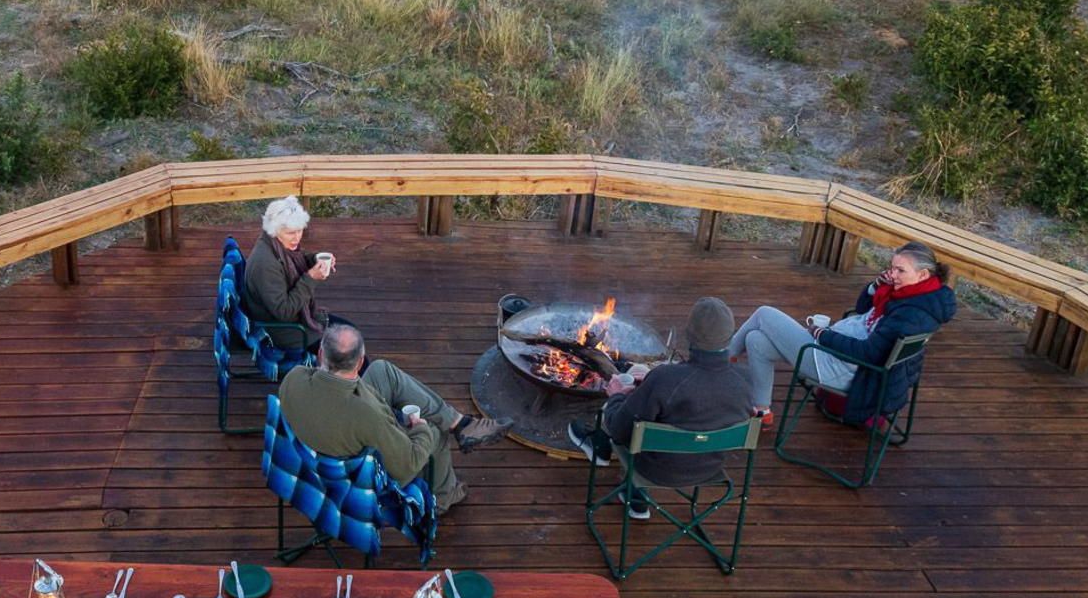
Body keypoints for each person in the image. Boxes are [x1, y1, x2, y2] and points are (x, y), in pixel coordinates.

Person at [276, 323, 511, 515]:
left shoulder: (293, 378)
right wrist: (419, 429)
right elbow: (406, 465)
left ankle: (461, 424)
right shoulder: (367, 415)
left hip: (311, 453)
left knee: (381, 370)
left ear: (319, 354)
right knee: (434, 432)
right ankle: (443, 497)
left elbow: (323, 382)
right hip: (352, 478)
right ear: (359, 362)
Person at [727, 241, 956, 424]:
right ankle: (761, 410)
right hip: (838, 355)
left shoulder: (910, 314)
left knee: (765, 313)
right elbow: (863, 308)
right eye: (892, 267)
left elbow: (867, 353)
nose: (892, 274)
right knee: (755, 339)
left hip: (840, 367)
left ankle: (721, 359)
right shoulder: (915, 296)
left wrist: (821, 335)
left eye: (900, 270)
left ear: (923, 275)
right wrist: (878, 284)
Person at [565, 297, 754, 519]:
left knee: (625, 408)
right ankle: (633, 495)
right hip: (709, 468)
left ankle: (601, 448)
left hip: (654, 469)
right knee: (665, 413)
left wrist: (617, 396)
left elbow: (619, 429)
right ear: (730, 336)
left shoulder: (665, 379)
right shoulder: (745, 381)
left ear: (689, 335)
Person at [244, 195, 337, 350]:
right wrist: (310, 278)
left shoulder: (276, 245)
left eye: (299, 231)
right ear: (275, 230)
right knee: (347, 347)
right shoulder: (265, 264)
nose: (296, 238)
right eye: (290, 233)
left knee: (351, 331)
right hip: (281, 330)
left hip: (298, 318)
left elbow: (297, 258)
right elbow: (284, 311)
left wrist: (315, 259)